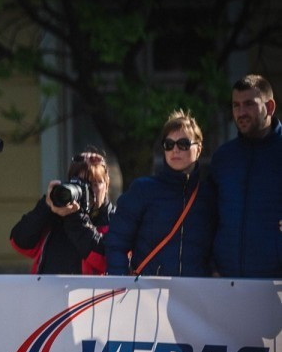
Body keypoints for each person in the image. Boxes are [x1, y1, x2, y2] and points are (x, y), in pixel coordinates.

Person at [106, 110, 216, 276]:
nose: (175, 150)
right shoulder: (142, 190)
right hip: (147, 295)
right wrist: (122, 284)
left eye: (183, 144)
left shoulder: (209, 195)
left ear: (198, 149)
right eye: (169, 144)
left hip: (196, 296)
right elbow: (116, 243)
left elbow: (221, 247)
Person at [210, 74, 282, 278]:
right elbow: (208, 217)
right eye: (236, 105)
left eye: (249, 104)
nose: (241, 112)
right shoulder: (223, 158)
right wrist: (212, 266)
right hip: (226, 282)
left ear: (269, 107)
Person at [10, 149, 114, 274]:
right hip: (46, 292)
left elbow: (109, 260)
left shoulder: (116, 220)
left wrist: (75, 219)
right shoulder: (56, 214)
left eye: (94, 183)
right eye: (81, 183)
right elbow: (19, 243)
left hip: (93, 294)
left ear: (107, 184)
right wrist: (46, 206)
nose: (88, 190)